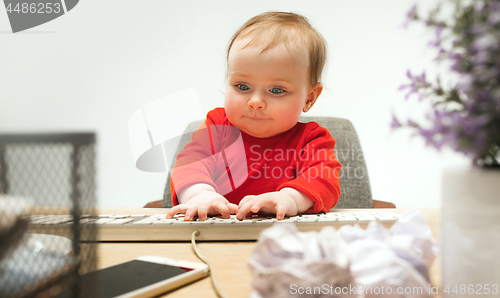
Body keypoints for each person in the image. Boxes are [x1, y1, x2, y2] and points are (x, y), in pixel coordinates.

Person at [166, 11, 342, 221]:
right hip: (214, 233)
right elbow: (189, 165)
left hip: (284, 235)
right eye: (242, 86)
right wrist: (201, 195)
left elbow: (324, 180)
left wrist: (288, 199)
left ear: (309, 98)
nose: (255, 101)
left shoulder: (312, 139)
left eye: (277, 90)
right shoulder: (218, 126)